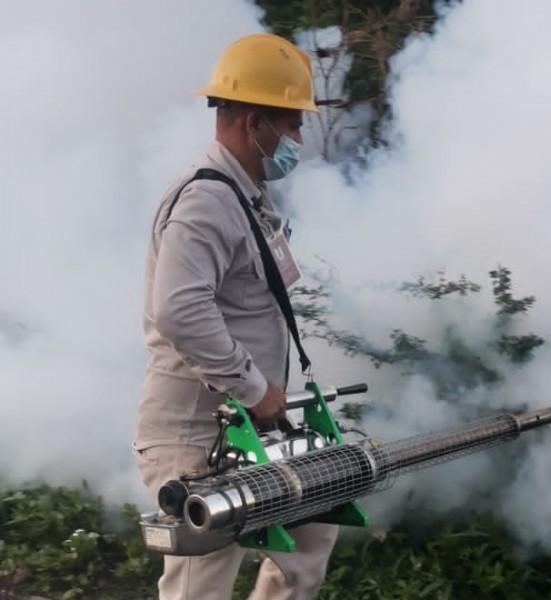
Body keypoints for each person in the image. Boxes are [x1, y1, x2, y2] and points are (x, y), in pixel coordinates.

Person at [133, 33, 337, 600]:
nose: (297, 139)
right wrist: (252, 387)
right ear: (255, 124)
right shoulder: (204, 202)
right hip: (198, 436)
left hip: (246, 427)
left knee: (311, 533)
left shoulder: (242, 197)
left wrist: (259, 399)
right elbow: (179, 309)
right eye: (292, 126)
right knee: (201, 583)